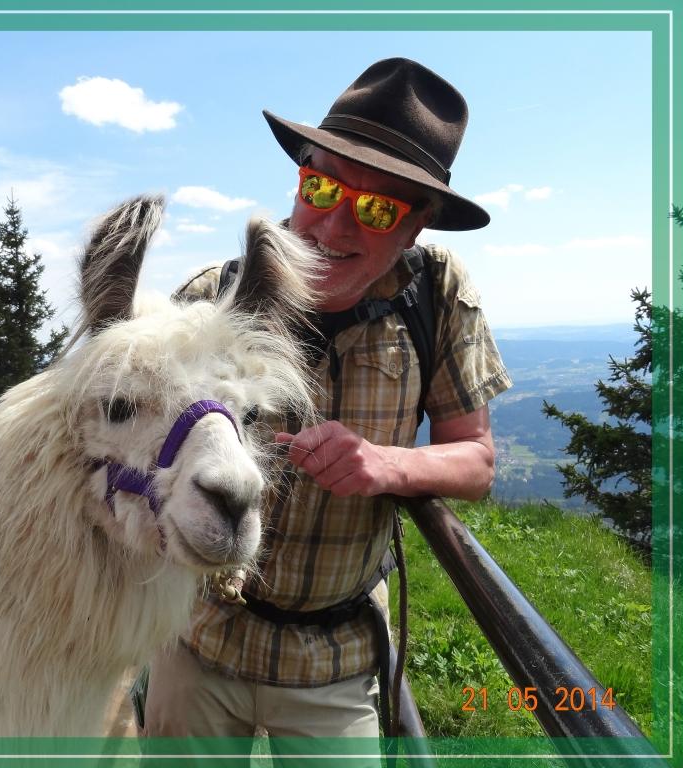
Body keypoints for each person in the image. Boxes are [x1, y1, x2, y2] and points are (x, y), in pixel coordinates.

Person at [142, 58, 513, 748]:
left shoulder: (436, 297)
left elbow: (477, 460)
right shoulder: (209, 299)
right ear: (299, 177)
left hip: (336, 662)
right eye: (321, 186)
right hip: (196, 641)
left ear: (417, 226)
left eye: (377, 209)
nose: (334, 227)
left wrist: (386, 465)